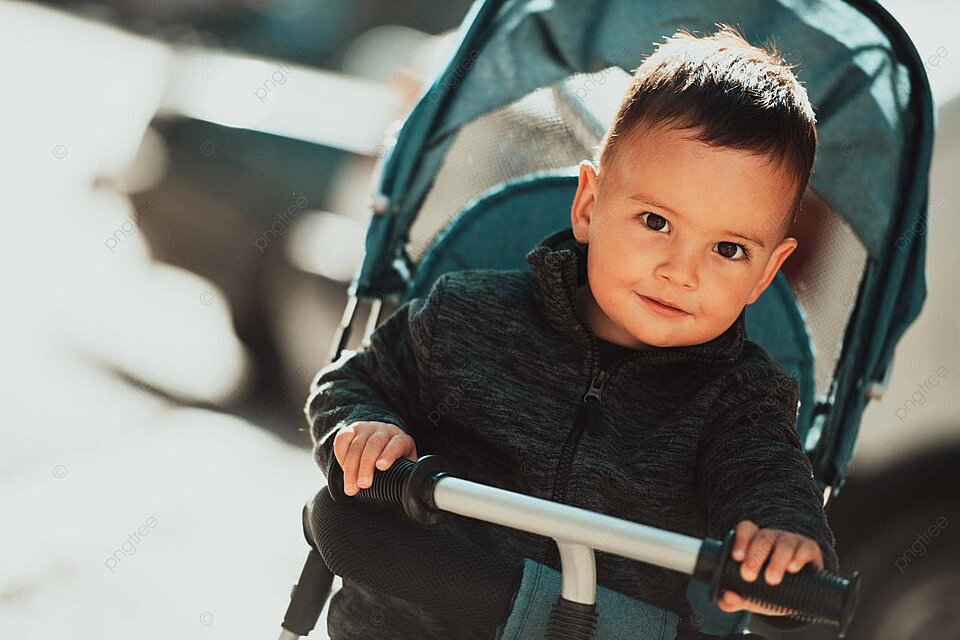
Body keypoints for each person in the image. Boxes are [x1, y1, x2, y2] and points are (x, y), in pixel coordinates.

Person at [305, 23, 839, 640]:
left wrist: (780, 545)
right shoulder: (468, 316)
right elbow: (353, 384)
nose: (681, 270)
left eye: (728, 249)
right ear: (588, 207)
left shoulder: (741, 400)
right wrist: (365, 430)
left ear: (767, 273)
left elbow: (769, 480)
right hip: (415, 618)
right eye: (656, 221)